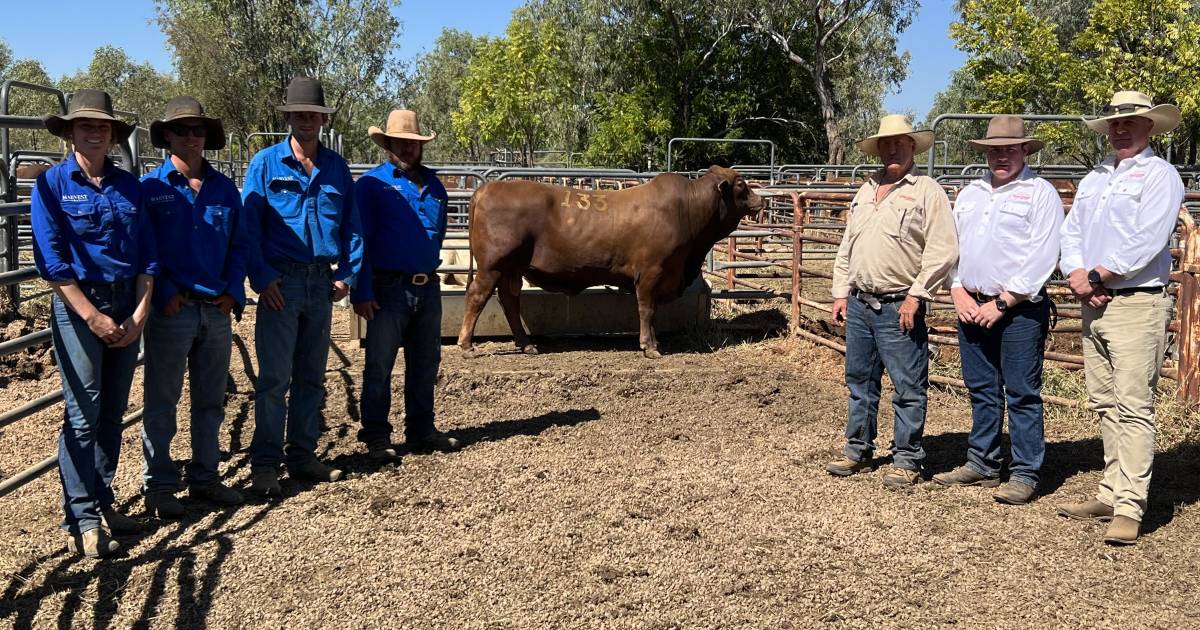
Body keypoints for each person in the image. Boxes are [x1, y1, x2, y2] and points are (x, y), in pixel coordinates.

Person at [31, 89, 157, 557]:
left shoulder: (130, 186)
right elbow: (52, 261)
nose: (96, 132)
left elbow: (148, 253)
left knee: (111, 412)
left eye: (103, 126)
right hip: (81, 303)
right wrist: (93, 316)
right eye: (86, 125)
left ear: (113, 133)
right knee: (83, 412)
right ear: (69, 133)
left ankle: (101, 503)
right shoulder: (50, 186)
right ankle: (82, 516)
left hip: (126, 300)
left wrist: (139, 313)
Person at [1056, 91, 1184, 545]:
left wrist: (1093, 275)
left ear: (1150, 127)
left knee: (1133, 405)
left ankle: (1130, 504)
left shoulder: (1160, 176)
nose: (1120, 130)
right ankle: (1112, 491)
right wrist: (1076, 273)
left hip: (1134, 300)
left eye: (1130, 123)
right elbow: (1071, 231)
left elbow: (1147, 239)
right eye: (1114, 124)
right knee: (1106, 402)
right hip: (1097, 298)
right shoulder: (1095, 178)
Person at [241, 76, 364, 498]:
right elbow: (247, 228)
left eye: (314, 114)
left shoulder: (336, 168)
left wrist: (347, 273)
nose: (307, 120)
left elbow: (352, 226)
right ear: (289, 117)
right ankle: (264, 465)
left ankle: (303, 455)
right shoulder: (265, 164)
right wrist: (261, 278)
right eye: (300, 114)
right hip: (281, 280)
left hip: (321, 282)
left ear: (322, 120)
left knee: (312, 375)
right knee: (274, 378)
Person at [933, 115, 1063, 505]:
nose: (1001, 156)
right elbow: (953, 246)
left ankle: (1024, 471)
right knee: (982, 389)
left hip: (1018, 308)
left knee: (1022, 391)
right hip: (972, 302)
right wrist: (956, 289)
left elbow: (1044, 255)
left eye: (1009, 149)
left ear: (1025, 149)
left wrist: (1004, 301)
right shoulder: (971, 194)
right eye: (994, 150)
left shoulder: (1041, 193)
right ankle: (983, 461)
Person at [825, 114, 958, 487]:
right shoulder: (866, 191)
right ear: (879, 149)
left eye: (900, 142)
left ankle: (907, 457)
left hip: (899, 303)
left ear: (913, 146)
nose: (893, 148)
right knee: (859, 381)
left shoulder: (927, 191)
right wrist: (840, 292)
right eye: (887, 143)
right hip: (860, 301)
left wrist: (917, 295)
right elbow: (847, 246)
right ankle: (857, 450)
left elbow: (943, 250)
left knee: (908, 384)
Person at [140, 96, 248, 517]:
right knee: (162, 401)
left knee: (211, 400)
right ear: (166, 135)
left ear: (207, 137)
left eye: (197, 130)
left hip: (215, 309)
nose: (190, 137)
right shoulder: (151, 189)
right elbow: (144, 247)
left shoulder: (224, 189)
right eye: (182, 130)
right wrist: (165, 291)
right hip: (174, 309)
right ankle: (160, 486)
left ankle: (205, 477)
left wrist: (232, 292)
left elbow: (238, 245)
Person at [352, 109, 459, 460]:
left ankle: (421, 428)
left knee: (426, 361)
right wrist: (362, 289)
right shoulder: (372, 185)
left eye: (413, 142)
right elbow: (360, 240)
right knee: (379, 365)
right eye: (401, 142)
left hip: (426, 286)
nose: (408, 147)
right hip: (388, 287)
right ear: (388, 144)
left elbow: (438, 234)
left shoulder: (435, 186)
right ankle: (377, 435)